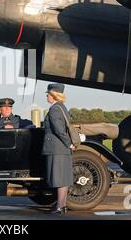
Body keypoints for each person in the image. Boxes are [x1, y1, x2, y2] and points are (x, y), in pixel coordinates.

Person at [42, 83, 75, 214]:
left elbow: (59, 130)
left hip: (57, 148)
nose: (47, 97)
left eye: (48, 95)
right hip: (61, 148)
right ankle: (63, 205)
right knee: (63, 177)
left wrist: (68, 143)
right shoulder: (62, 107)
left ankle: (60, 206)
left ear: (54, 95)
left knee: (59, 178)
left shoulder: (55, 109)